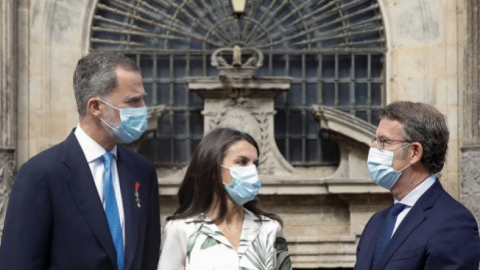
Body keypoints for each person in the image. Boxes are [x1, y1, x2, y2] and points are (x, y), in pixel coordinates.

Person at [0, 52, 160, 270]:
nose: (143, 107)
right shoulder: (41, 174)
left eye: (143, 98)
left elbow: (148, 257)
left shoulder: (142, 171)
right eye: (133, 101)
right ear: (95, 106)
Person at [354, 101, 480, 270]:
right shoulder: (376, 223)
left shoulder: (453, 223)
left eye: (384, 141)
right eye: (375, 140)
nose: (373, 148)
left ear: (414, 152)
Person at [157, 127, 292, 270]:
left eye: (255, 164)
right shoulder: (181, 229)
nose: (252, 170)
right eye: (241, 162)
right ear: (214, 170)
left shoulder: (270, 228)